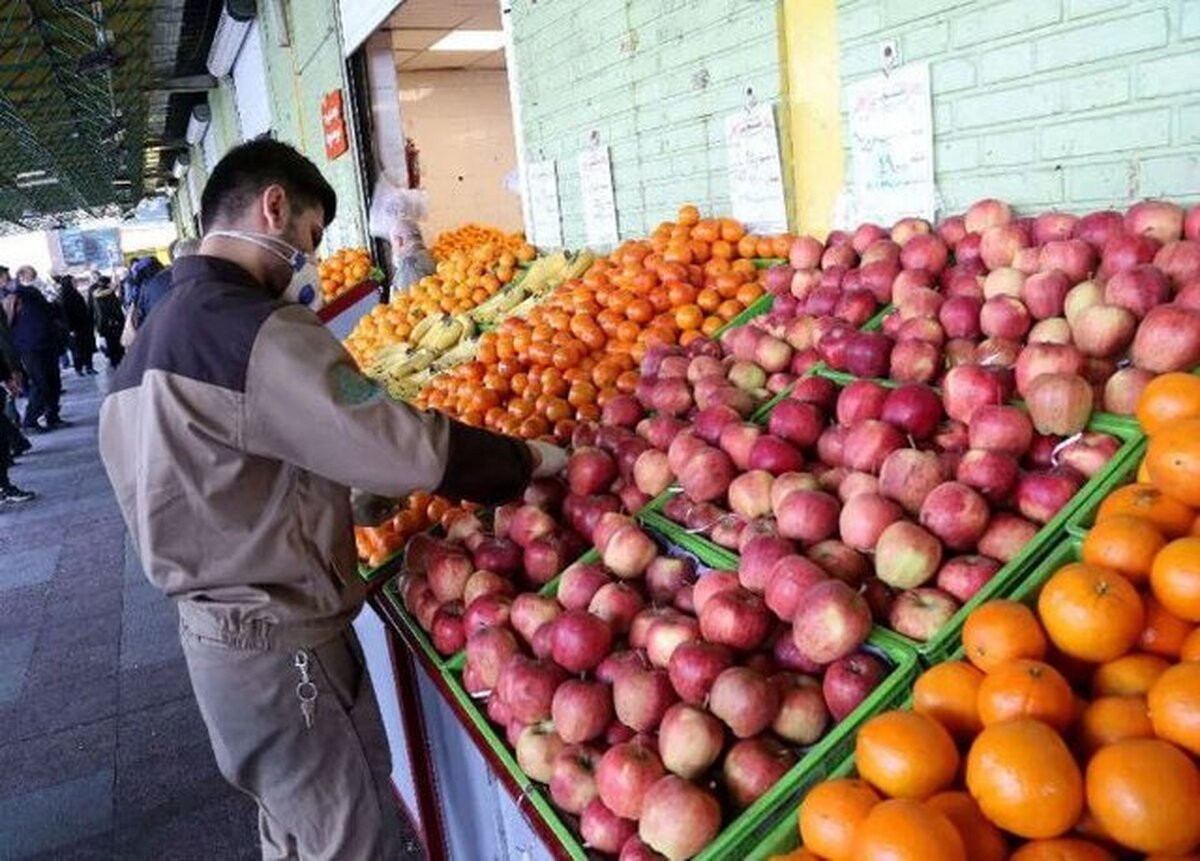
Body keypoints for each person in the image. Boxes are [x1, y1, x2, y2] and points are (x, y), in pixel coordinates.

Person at [98, 137, 567, 860]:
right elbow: (401, 443)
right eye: (311, 240)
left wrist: (332, 503)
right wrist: (525, 459)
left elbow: (213, 483)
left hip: (216, 647)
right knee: (349, 842)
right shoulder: (249, 328)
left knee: (292, 832)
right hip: (284, 645)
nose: (308, 262)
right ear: (274, 207)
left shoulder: (147, 346)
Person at [1, 265, 65, 431]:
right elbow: (5, 324)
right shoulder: (10, 296)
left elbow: (49, 311)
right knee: (40, 382)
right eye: (4, 277)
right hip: (28, 346)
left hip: (45, 342)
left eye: (6, 276)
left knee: (53, 380)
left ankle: (52, 415)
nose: (7, 280)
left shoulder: (31, 292)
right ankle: (30, 420)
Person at [57, 274, 97, 375]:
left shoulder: (75, 293)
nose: (76, 283)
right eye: (73, 281)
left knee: (87, 347)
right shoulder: (64, 296)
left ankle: (89, 367)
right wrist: (70, 329)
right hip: (74, 328)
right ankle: (79, 369)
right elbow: (64, 315)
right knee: (77, 350)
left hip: (83, 326)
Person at [89, 274, 125, 368]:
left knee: (111, 344)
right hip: (114, 323)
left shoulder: (96, 295)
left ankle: (114, 362)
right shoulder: (108, 295)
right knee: (117, 343)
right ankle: (118, 361)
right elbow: (115, 308)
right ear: (107, 283)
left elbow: (97, 312)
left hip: (105, 325)